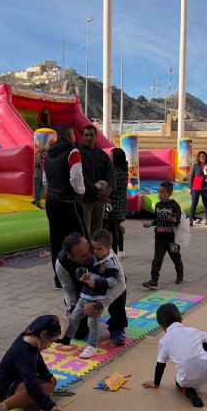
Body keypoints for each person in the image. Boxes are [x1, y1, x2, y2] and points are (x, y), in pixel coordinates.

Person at [0, 315, 63, 411]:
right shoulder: (24, 352)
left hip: (18, 381)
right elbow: (31, 384)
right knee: (36, 393)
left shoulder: (31, 341)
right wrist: (48, 406)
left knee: (49, 385)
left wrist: (46, 375)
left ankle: (27, 401)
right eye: (51, 341)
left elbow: (38, 358)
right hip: (4, 388)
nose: (50, 346)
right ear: (43, 334)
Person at [56, 230, 124, 358]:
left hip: (103, 289)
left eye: (89, 249)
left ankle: (117, 326)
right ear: (72, 258)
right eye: (83, 255)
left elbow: (121, 284)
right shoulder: (61, 264)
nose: (90, 255)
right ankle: (66, 336)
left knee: (93, 319)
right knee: (78, 326)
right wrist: (72, 307)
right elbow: (68, 290)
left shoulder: (104, 253)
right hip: (84, 291)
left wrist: (98, 304)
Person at [142, 303, 207, 408]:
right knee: (204, 342)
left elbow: (160, 365)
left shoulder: (164, 341)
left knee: (178, 381)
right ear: (180, 318)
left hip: (188, 379)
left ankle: (189, 391)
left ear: (161, 326)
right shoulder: (192, 330)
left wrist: (156, 383)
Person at [45, 125, 86, 289]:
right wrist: (81, 191)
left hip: (52, 202)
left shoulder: (48, 154)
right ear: (71, 135)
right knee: (79, 239)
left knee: (56, 241)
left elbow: (44, 180)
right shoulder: (73, 152)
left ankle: (59, 279)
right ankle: (80, 275)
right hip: (68, 202)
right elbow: (76, 176)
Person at [143, 181, 184, 289]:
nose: (160, 194)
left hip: (172, 239)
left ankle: (180, 272)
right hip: (160, 238)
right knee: (157, 259)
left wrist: (174, 219)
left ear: (170, 193)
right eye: (159, 192)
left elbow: (178, 221)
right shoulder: (157, 205)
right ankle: (154, 280)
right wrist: (151, 223)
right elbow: (158, 220)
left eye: (163, 192)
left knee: (176, 257)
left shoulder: (175, 205)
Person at [79, 125, 115, 235]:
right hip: (84, 200)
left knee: (97, 232)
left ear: (96, 137)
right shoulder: (77, 153)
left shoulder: (102, 155)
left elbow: (111, 174)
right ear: (82, 137)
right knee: (84, 232)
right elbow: (80, 175)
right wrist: (95, 190)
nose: (88, 138)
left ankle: (96, 252)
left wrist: (108, 190)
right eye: (86, 135)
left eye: (91, 135)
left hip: (99, 201)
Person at [103, 148, 128, 256]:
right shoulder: (124, 170)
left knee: (112, 228)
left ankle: (113, 253)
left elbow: (112, 188)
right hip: (121, 204)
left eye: (111, 156)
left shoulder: (114, 172)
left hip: (113, 205)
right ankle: (120, 250)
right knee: (116, 227)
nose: (109, 158)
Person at [189, 151, 207, 226]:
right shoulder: (195, 165)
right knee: (194, 204)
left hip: (205, 187)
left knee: (206, 203)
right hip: (196, 187)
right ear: (198, 157)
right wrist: (190, 188)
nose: (202, 157)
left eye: (203, 156)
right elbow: (192, 177)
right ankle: (190, 219)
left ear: (206, 157)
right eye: (200, 156)